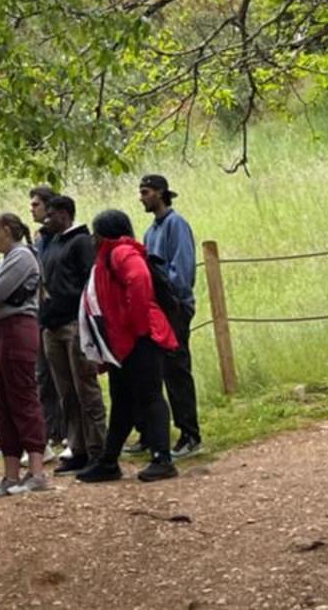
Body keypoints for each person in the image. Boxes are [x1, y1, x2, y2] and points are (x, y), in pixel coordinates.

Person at [76, 209, 178, 485]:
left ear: (104, 233)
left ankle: (162, 458)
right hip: (125, 341)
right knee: (122, 399)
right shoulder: (110, 254)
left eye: (95, 233)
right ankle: (109, 461)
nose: (92, 239)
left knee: (150, 396)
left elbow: (140, 280)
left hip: (140, 337)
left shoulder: (120, 252)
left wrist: (137, 324)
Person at [0, 212, 49, 495]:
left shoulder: (22, 257)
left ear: (7, 229)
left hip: (18, 329)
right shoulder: (2, 263)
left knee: (22, 395)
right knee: (3, 400)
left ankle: (37, 470)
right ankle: (11, 474)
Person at [37, 193, 106, 473]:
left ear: (65, 214)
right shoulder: (50, 243)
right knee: (66, 392)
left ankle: (98, 448)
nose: (47, 219)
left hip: (74, 325)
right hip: (51, 326)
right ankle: (77, 447)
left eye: (51, 214)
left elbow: (89, 283)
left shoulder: (80, 242)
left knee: (85, 387)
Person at [140, 173, 202, 457]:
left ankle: (190, 434)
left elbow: (182, 268)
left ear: (161, 193)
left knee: (177, 370)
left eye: (147, 192)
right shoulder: (150, 231)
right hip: (157, 309)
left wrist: (172, 298)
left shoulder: (176, 225)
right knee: (161, 371)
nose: (142, 197)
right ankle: (162, 433)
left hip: (174, 307)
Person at [28, 184, 68, 455]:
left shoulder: (62, 239)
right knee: (43, 376)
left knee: (63, 375)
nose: (32, 209)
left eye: (36, 205)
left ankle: (67, 433)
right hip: (41, 315)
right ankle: (50, 433)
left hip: (61, 314)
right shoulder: (38, 240)